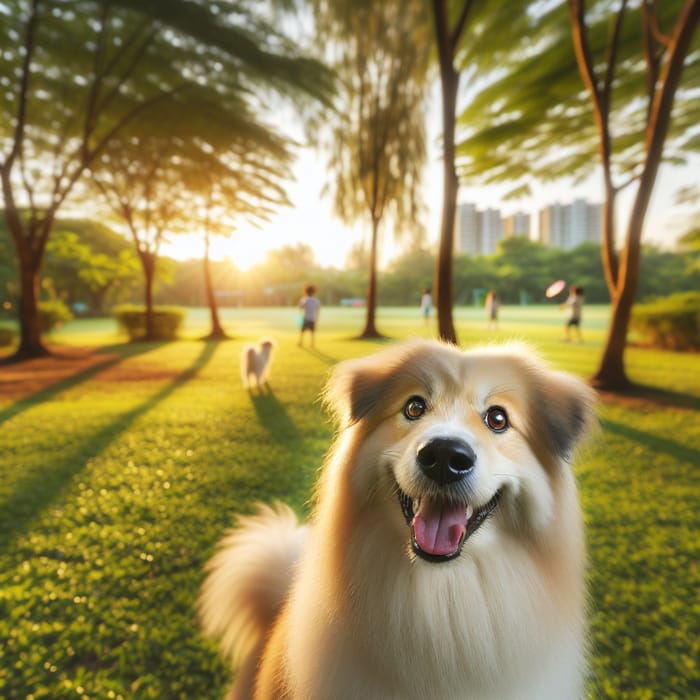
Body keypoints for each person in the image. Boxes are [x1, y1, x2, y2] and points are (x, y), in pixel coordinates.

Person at [298, 283, 321, 348]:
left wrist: (300, 304)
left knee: (302, 331)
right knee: (312, 332)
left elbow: (300, 308)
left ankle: (301, 342)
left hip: (306, 318)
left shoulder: (304, 299)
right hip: (313, 318)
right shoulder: (316, 300)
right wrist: (317, 318)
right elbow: (318, 310)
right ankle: (312, 344)